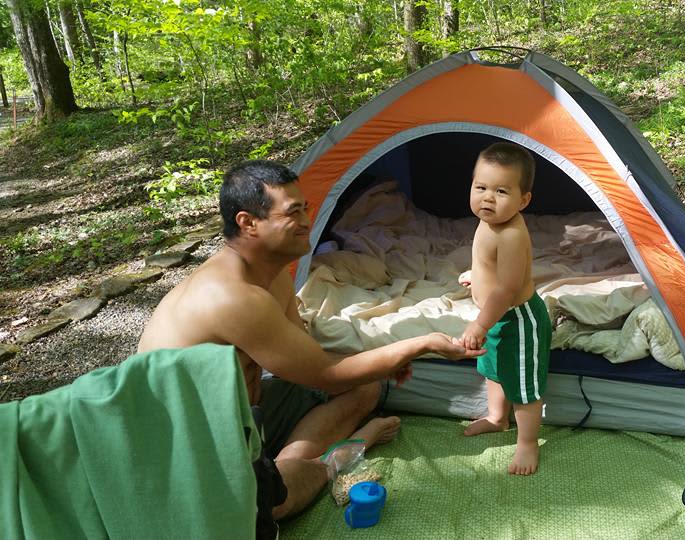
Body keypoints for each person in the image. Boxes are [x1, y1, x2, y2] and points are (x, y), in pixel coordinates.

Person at [137, 160, 483, 520]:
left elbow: (313, 358)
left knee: (367, 386)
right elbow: (325, 374)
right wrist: (419, 343)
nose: (307, 222)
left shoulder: (271, 276)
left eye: (306, 208)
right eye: (292, 213)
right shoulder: (232, 296)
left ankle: (284, 466)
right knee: (277, 503)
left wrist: (385, 361)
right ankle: (332, 458)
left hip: (246, 417)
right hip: (191, 447)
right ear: (248, 222)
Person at [459, 142, 552, 475]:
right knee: (493, 368)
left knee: (523, 382)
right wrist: (477, 275)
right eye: (480, 187)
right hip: (494, 316)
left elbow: (508, 287)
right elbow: (489, 263)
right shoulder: (488, 220)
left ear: (523, 200)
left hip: (517, 319)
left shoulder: (511, 233)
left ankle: (527, 442)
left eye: (501, 191)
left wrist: (480, 324)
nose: (487, 197)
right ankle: (497, 418)